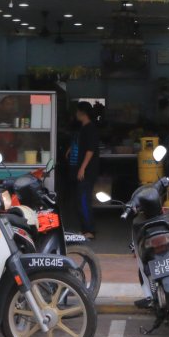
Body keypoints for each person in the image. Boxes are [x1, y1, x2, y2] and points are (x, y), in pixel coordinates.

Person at [65, 101, 100, 239]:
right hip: (79, 170)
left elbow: (90, 151)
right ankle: (85, 229)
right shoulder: (83, 128)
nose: (75, 114)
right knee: (80, 200)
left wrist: (82, 168)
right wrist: (70, 149)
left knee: (84, 200)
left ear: (82, 113)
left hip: (86, 171)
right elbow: (80, 144)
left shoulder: (90, 128)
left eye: (77, 111)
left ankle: (89, 231)